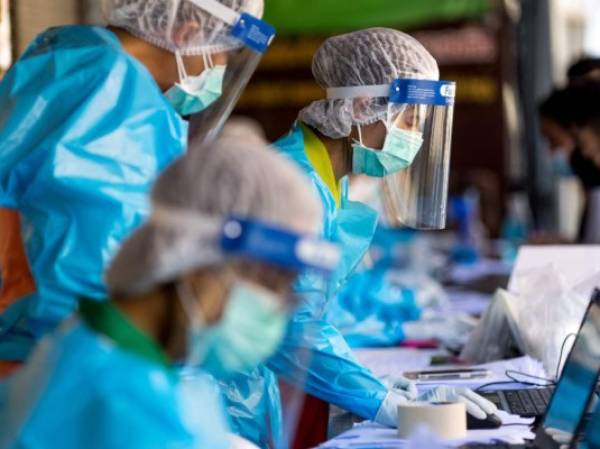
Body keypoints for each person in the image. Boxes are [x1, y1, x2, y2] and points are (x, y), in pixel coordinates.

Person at [219, 28, 497, 448]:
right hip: (222, 401)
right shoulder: (292, 183)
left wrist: (376, 383)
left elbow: (315, 310)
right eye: (410, 119)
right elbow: (291, 327)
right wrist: (382, 400)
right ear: (366, 106)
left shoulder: (326, 179)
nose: (415, 136)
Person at [0, 131, 340, 449]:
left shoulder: (85, 342)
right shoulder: (129, 403)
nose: (273, 310)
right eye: (269, 285)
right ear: (200, 267)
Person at [0, 0, 272, 372]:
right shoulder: (114, 96)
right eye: (224, 51)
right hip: (47, 368)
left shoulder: (72, 57)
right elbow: (89, 280)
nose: (221, 69)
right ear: (187, 32)